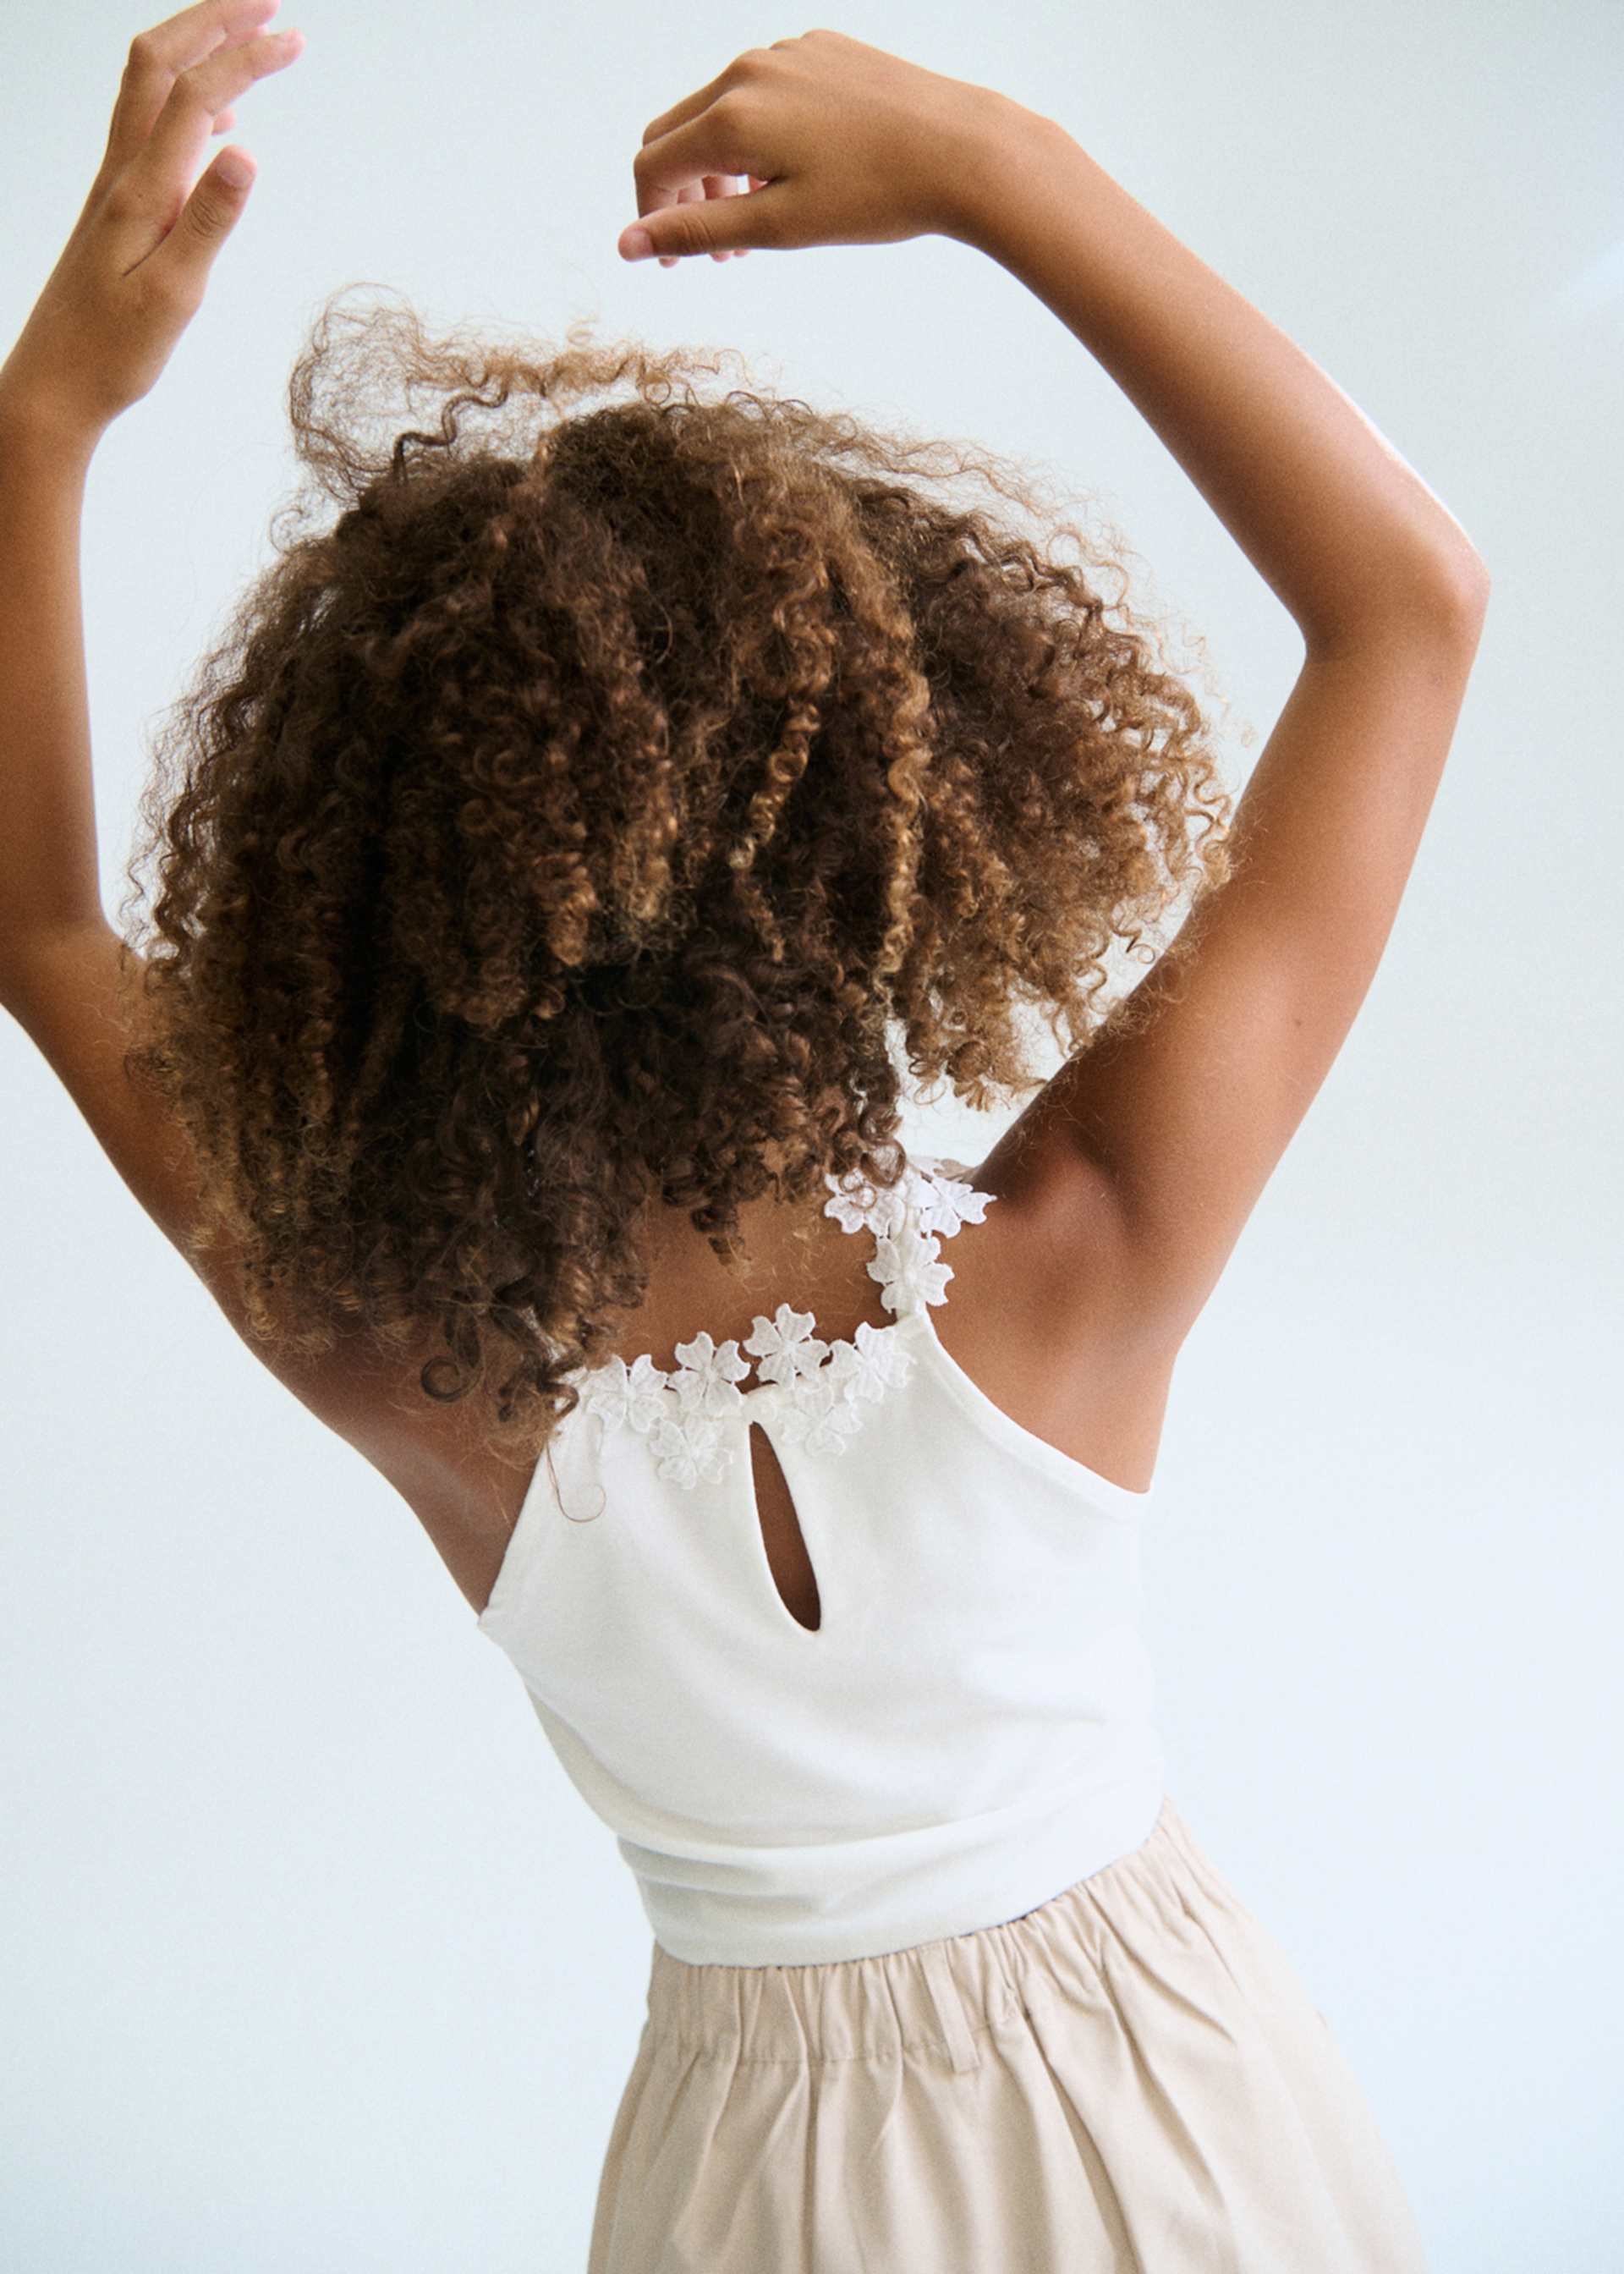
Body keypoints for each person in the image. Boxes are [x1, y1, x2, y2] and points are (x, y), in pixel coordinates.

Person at [0, 8, 1490, 2268]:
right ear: (883, 824)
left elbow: (38, 926)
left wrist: (42, 425)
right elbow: (1410, 606)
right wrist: (998, 165)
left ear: (369, 918)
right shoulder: (1076, 1257)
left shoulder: (407, 1365)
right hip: (1186, 2126)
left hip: (752, 2190)